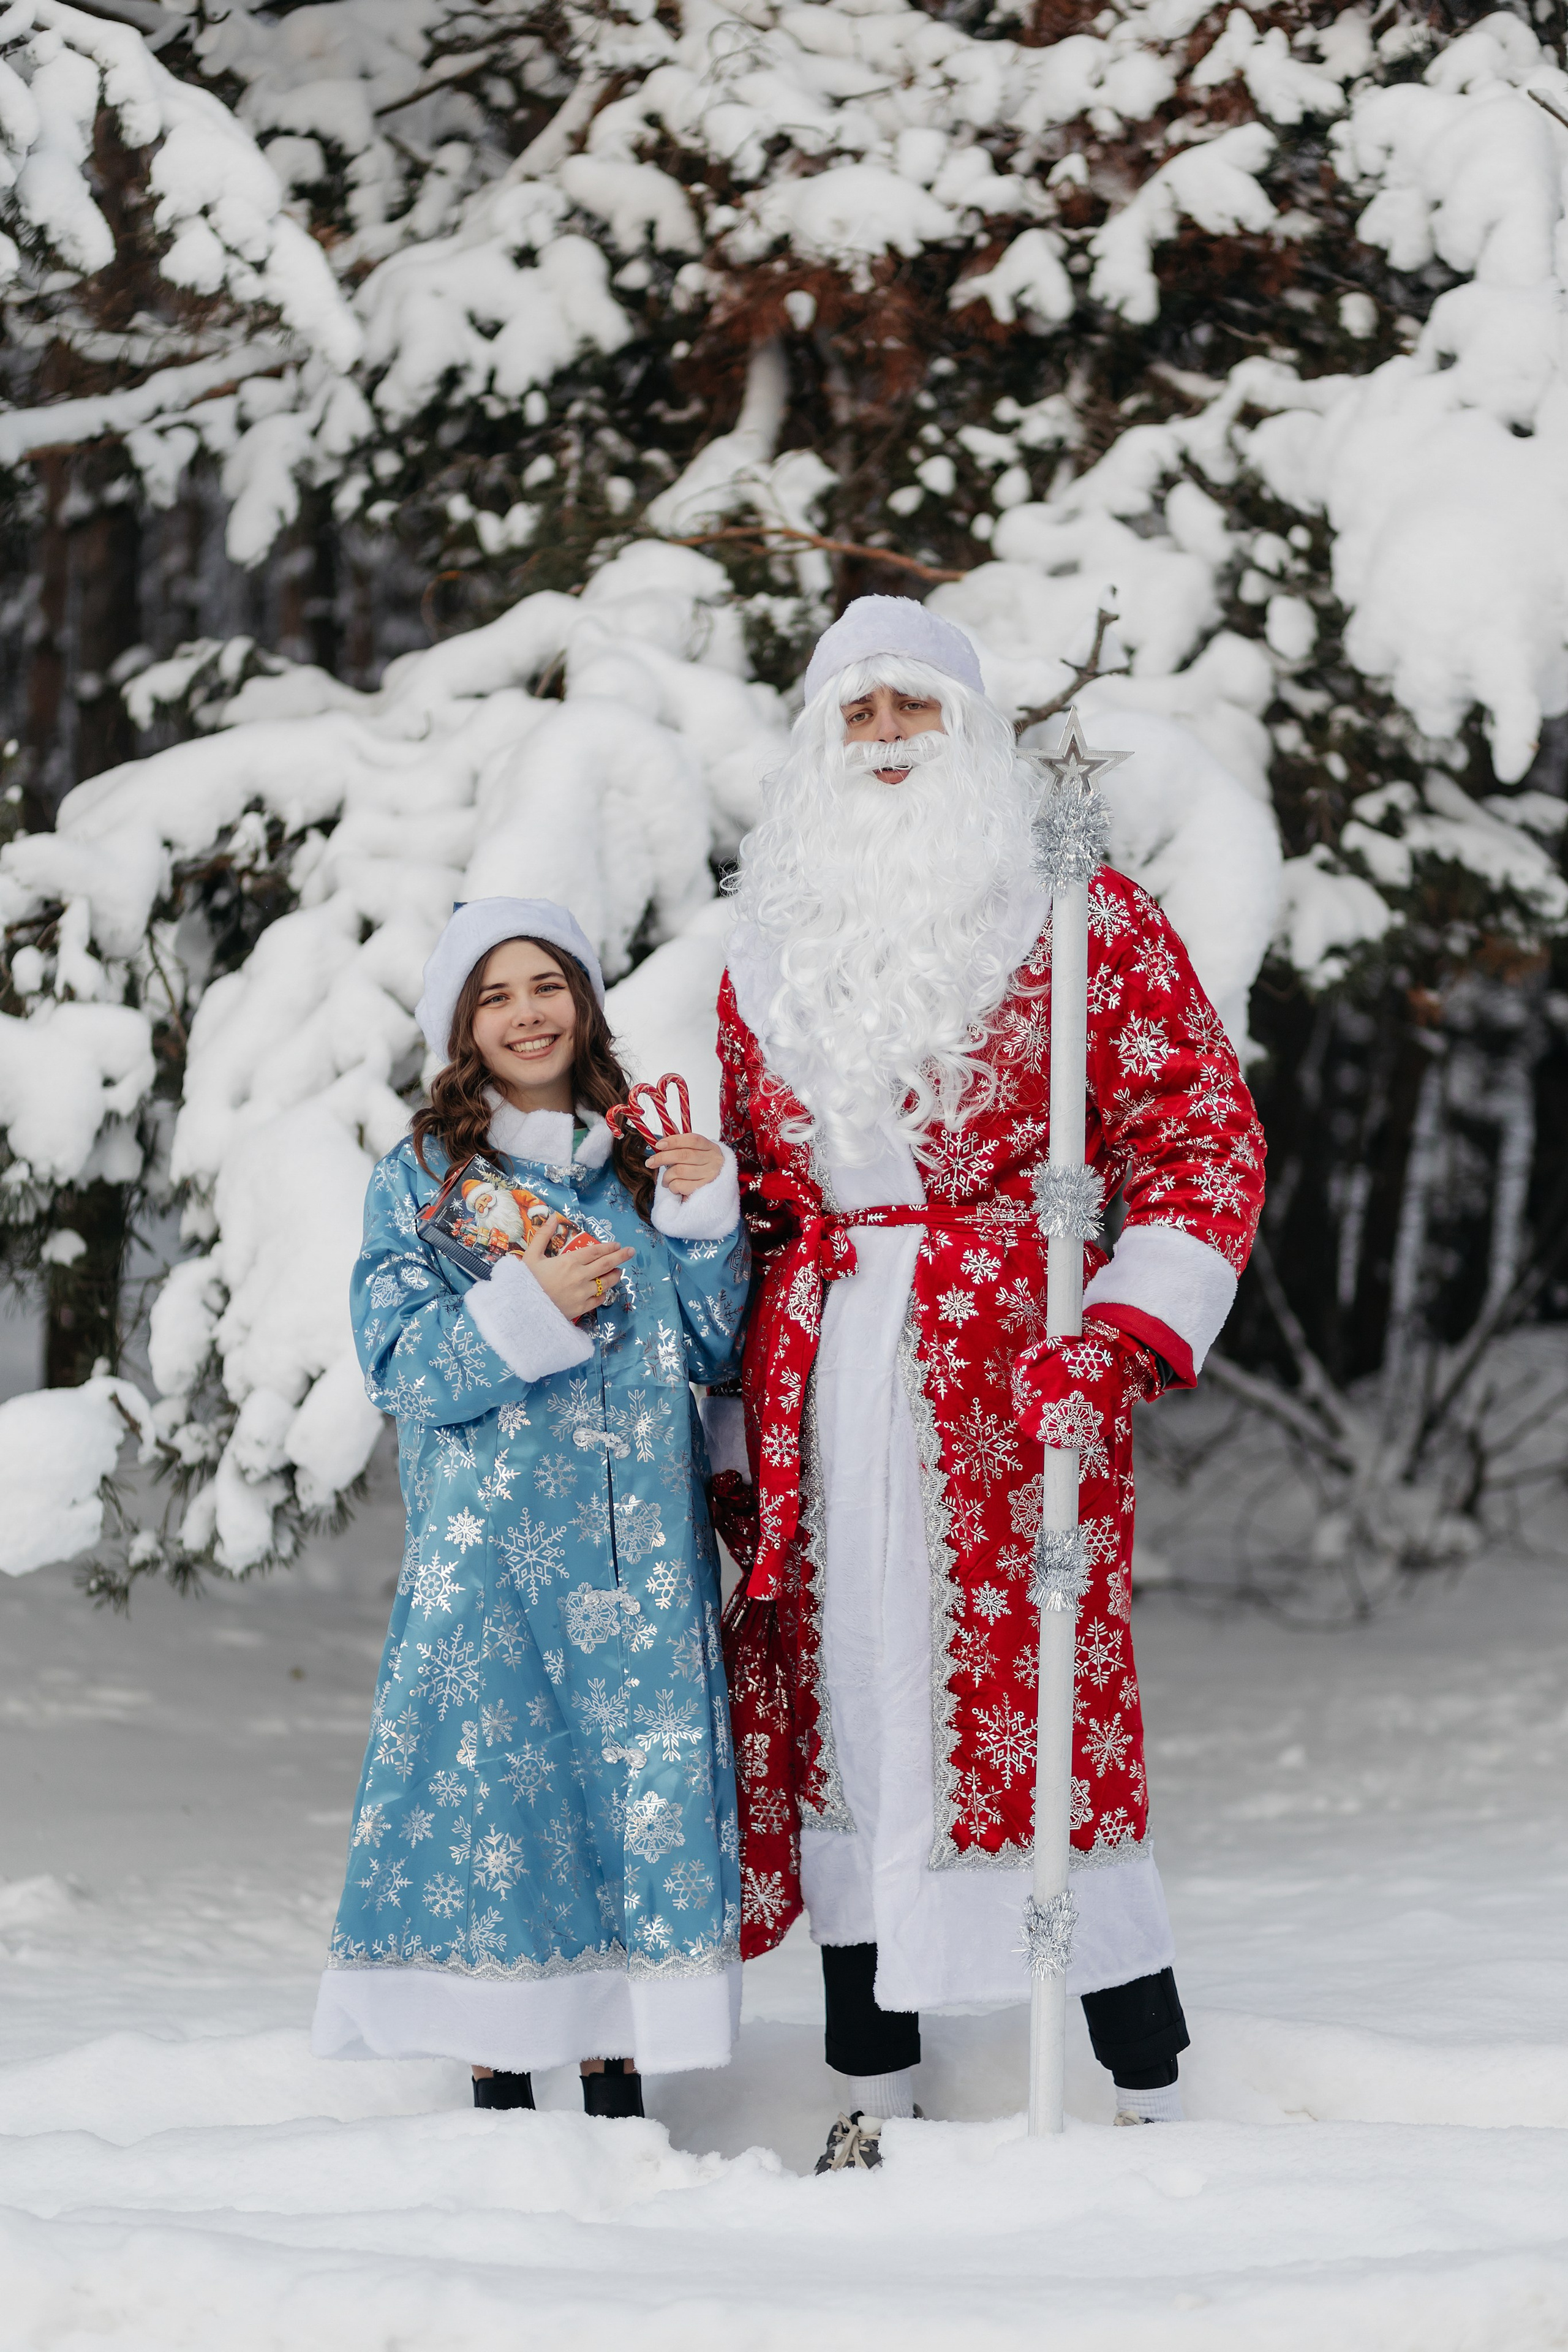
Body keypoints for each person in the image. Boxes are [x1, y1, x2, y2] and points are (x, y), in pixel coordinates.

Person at [710, 598, 1265, 2168]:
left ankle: (1146, 2084)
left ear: (968, 732)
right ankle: (863, 2088)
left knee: (1038, 1705)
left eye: (912, 710)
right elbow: (756, 1188)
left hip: (1004, 1366)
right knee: (843, 1710)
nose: (884, 739)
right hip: (816, 1362)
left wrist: (1116, 1330)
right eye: (856, 714)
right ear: (820, 742)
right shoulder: (765, 951)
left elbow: (1198, 1136)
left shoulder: (1079, 916)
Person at [312, 897, 751, 2117]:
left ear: (583, 1002)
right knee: (499, 1808)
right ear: (462, 1024)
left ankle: (618, 2112)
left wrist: (704, 1217)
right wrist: (528, 1300)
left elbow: (715, 1351)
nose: (525, 1013)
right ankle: (499, 2109)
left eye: (545, 985)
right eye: (494, 994)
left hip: (639, 1573)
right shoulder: (423, 1176)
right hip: (491, 1562)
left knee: (628, 1811)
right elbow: (401, 1368)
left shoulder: (636, 1166)